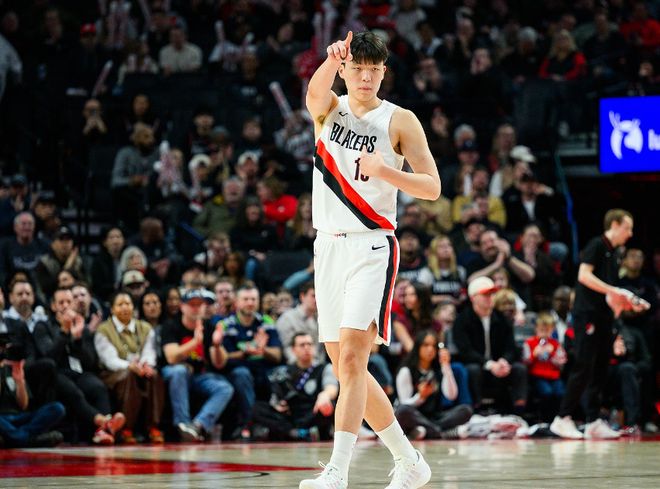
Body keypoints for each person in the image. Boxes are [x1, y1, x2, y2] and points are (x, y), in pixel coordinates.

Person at [301, 30, 440, 489]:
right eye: (357, 68)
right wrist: (328, 60)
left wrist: (385, 171)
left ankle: (337, 471)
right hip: (328, 246)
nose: (365, 77)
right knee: (347, 368)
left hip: (372, 245)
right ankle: (409, 460)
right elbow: (314, 93)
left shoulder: (400, 120)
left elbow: (432, 187)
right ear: (345, 69)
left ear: (384, 73)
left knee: (353, 359)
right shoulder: (329, 108)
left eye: (374, 70)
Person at [550, 209, 647, 440]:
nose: (630, 233)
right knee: (583, 365)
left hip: (604, 316)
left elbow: (609, 294)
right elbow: (584, 276)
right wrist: (615, 291)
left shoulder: (614, 254)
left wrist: (629, 303)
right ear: (614, 225)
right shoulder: (597, 245)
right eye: (627, 227)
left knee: (601, 367)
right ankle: (562, 417)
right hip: (587, 315)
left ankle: (593, 420)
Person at [160, 288, 235, 442]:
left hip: (198, 375)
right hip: (174, 373)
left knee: (224, 388)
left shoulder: (209, 327)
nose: (196, 308)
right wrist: (195, 342)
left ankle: (198, 425)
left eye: (199, 305)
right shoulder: (171, 325)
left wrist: (217, 345)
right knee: (179, 371)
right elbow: (171, 357)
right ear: (182, 307)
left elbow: (219, 363)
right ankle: (182, 423)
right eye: (192, 304)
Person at [95, 292, 165, 444]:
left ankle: (153, 426)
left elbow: (149, 352)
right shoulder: (104, 330)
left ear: (133, 307)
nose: (125, 307)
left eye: (128, 304)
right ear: (112, 309)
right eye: (120, 304)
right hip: (112, 373)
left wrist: (145, 365)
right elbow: (109, 360)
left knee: (153, 375)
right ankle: (126, 428)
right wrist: (130, 366)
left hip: (139, 369)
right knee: (129, 375)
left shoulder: (144, 327)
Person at [453, 277, 528, 413]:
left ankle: (519, 410)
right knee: (472, 370)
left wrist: (504, 361)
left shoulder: (502, 318)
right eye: (485, 295)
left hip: (499, 364)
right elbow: (466, 351)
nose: (490, 298)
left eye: (492, 294)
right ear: (473, 298)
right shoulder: (462, 320)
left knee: (519, 369)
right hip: (478, 364)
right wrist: (489, 364)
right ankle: (476, 409)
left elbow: (511, 347)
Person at [250, 333, 338, 441]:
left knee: (329, 405)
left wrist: (325, 395)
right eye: (302, 345)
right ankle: (294, 433)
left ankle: (306, 432)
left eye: (309, 344)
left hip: (312, 411)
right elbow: (275, 396)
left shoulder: (324, 368)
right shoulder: (284, 371)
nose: (306, 348)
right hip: (291, 414)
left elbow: (332, 387)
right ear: (293, 350)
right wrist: (277, 404)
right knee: (257, 408)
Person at [394, 330, 473, 440]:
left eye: (433, 346)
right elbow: (404, 403)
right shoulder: (407, 371)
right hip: (415, 415)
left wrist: (446, 366)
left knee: (466, 410)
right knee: (403, 411)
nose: (430, 349)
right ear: (418, 347)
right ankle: (443, 433)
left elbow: (451, 396)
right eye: (426, 345)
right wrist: (420, 397)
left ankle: (428, 431)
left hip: (434, 417)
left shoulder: (437, 370)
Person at [522, 312, 567, 422]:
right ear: (536, 329)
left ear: (552, 330)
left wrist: (552, 354)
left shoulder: (555, 344)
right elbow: (525, 362)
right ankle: (544, 419)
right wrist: (534, 354)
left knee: (560, 393)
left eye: (547, 330)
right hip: (537, 376)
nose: (544, 333)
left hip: (553, 376)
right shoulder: (529, 342)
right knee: (546, 392)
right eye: (542, 330)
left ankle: (556, 418)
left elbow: (562, 362)